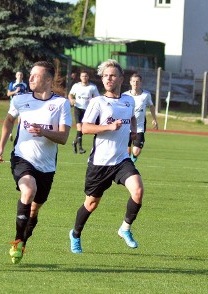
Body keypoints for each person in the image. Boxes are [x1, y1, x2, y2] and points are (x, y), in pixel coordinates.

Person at [0, 61, 72, 264]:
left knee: (34, 210)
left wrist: (43, 131)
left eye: (35, 76)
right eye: (30, 74)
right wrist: (1, 146)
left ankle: (24, 240)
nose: (30, 78)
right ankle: (17, 242)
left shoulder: (61, 104)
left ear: (48, 80)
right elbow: (9, 120)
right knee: (28, 191)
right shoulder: (20, 99)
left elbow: (63, 138)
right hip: (22, 158)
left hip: (46, 166)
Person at [68, 59, 144, 254]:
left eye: (112, 75)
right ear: (102, 80)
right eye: (105, 76)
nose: (108, 79)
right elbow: (85, 128)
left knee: (138, 190)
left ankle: (124, 229)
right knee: (91, 204)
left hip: (121, 160)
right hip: (100, 163)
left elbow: (133, 117)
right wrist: (109, 127)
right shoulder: (98, 102)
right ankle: (75, 234)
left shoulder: (129, 100)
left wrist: (133, 132)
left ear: (121, 78)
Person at [124, 73, 158, 162]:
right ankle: (127, 165)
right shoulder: (125, 95)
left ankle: (133, 158)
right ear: (130, 82)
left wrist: (154, 119)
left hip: (139, 126)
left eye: (137, 81)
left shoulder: (146, 95)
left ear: (140, 83)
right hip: (126, 126)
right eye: (134, 81)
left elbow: (151, 106)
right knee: (126, 151)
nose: (135, 83)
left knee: (136, 151)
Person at [68, 70, 100, 154]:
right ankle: (80, 148)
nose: (84, 78)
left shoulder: (92, 87)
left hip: (88, 110)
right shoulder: (76, 86)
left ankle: (75, 142)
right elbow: (70, 94)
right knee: (79, 128)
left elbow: (97, 98)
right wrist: (71, 99)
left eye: (86, 76)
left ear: (88, 77)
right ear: (80, 77)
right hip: (78, 108)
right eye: (82, 76)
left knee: (83, 129)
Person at [6, 71, 29, 141]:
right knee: (11, 120)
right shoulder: (12, 84)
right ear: (16, 76)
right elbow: (8, 94)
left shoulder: (25, 84)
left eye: (21, 75)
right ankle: (10, 133)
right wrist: (15, 91)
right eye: (18, 75)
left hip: (22, 104)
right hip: (14, 104)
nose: (19, 76)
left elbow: (28, 93)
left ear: (22, 76)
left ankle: (18, 135)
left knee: (20, 120)